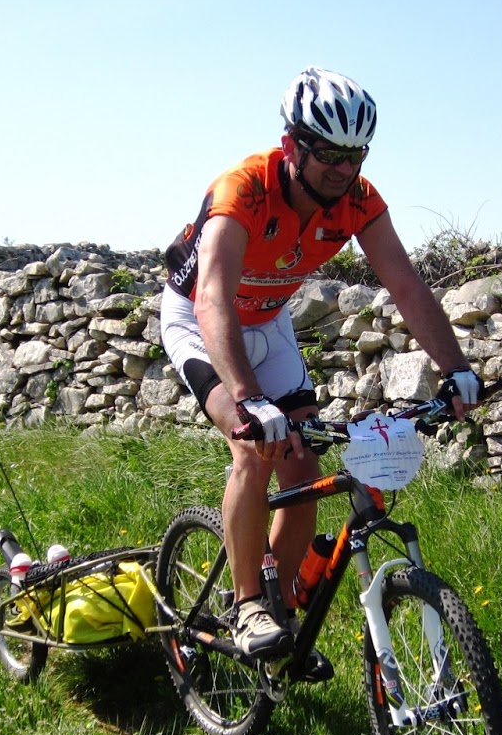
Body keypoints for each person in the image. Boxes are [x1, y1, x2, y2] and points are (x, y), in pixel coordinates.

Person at [161, 67, 482, 664]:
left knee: (303, 465)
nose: (343, 167)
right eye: (329, 153)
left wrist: (456, 368)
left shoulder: (359, 200)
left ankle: (279, 615)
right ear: (292, 145)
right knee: (254, 448)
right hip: (200, 320)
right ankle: (248, 604)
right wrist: (248, 399)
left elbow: (407, 287)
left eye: (356, 154)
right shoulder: (243, 190)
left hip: (268, 321)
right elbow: (212, 299)